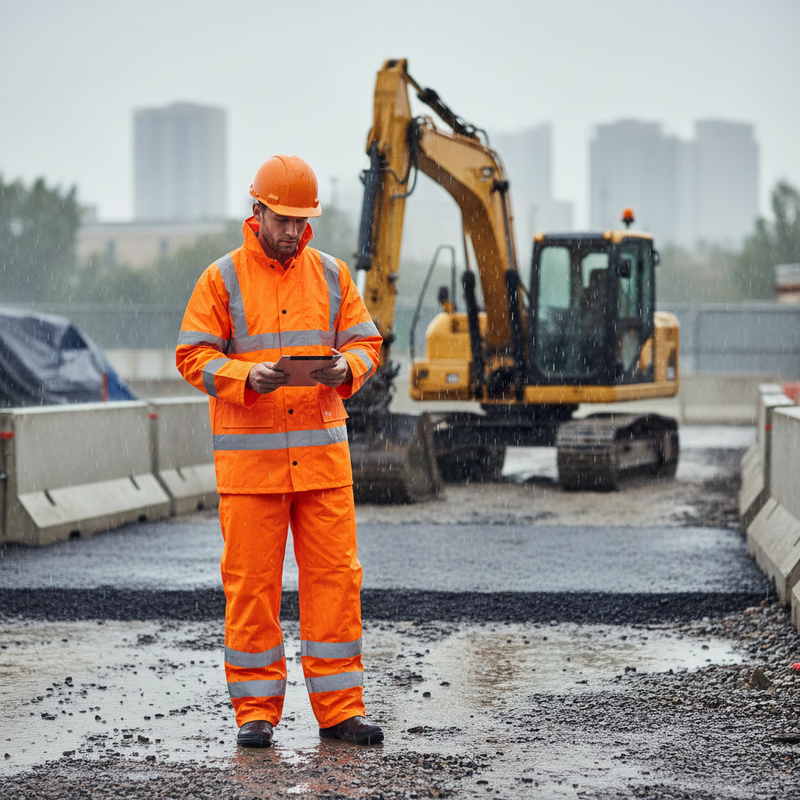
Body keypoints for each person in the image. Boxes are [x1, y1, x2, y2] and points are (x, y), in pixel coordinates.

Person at [176, 155, 383, 748]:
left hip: (321, 465)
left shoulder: (333, 275)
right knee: (250, 590)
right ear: (257, 212)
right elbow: (192, 356)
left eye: (301, 220)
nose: (293, 230)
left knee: (336, 585)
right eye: (283, 218)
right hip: (252, 469)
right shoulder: (221, 279)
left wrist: (347, 367)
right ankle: (255, 713)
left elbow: (368, 343)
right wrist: (245, 377)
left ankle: (340, 710)